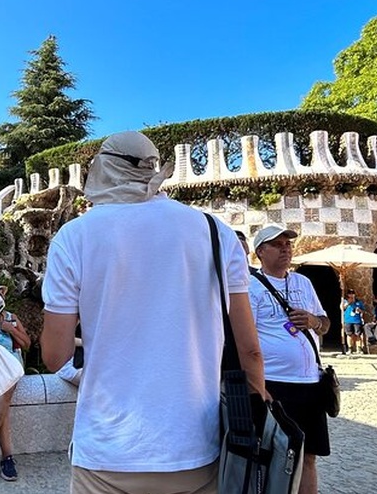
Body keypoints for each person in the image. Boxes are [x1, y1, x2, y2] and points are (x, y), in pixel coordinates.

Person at [41, 131, 266, 494]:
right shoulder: (215, 232)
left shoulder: (75, 236)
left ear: (103, 170)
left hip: (106, 452)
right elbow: (249, 348)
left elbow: (55, 356)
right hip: (195, 449)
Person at [248, 224, 331, 494]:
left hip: (310, 382)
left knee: (309, 455)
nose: (286, 249)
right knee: (274, 455)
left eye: (288, 244)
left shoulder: (303, 282)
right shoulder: (250, 287)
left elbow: (326, 323)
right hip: (274, 384)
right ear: (260, 251)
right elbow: (244, 338)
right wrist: (258, 386)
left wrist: (313, 321)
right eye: (278, 245)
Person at [0, 286, 31, 482]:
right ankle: (5, 457)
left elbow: (27, 344)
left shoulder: (12, 317)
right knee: (3, 397)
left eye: (2, 293)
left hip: (10, 365)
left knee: (4, 389)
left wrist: (11, 330)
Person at [342, 289, 365, 354]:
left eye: (352, 293)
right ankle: (350, 349)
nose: (351, 294)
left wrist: (359, 310)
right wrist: (348, 303)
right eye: (350, 293)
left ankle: (359, 349)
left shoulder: (359, 302)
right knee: (349, 335)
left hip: (357, 321)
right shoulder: (345, 301)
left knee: (358, 335)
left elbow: (363, 311)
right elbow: (342, 308)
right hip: (348, 320)